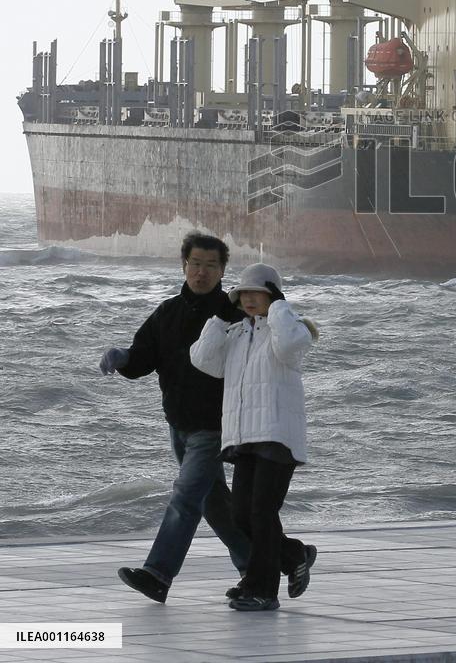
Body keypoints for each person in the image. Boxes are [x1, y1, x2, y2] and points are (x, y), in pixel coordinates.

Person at [99, 232, 249, 603]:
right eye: (195, 264)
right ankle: (268, 562)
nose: (201, 273)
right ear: (184, 266)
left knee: (185, 497)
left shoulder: (233, 316)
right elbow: (142, 359)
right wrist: (122, 358)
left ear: (222, 270)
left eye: (211, 266)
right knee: (215, 504)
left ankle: (158, 574)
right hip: (178, 425)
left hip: (213, 427)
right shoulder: (167, 312)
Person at [190, 263, 318, 612]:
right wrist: (217, 319)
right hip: (243, 436)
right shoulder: (235, 335)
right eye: (243, 293)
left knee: (262, 511)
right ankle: (293, 555)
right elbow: (203, 361)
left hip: (278, 434)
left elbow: (290, 345)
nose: (248, 299)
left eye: (257, 293)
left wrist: (278, 307)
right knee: (242, 515)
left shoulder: (287, 330)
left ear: (272, 296)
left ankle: (262, 589)